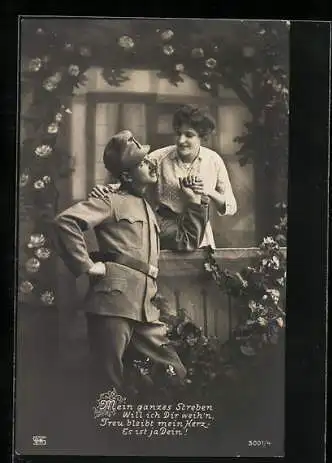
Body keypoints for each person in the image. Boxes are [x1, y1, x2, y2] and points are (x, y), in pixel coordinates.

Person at [53, 130, 210, 395]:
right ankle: (103, 435)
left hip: (145, 310)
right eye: (142, 162)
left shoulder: (150, 209)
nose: (151, 164)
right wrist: (87, 266)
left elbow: (186, 240)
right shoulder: (109, 200)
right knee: (107, 383)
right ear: (126, 176)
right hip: (112, 303)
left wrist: (195, 203)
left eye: (149, 159)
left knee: (175, 372)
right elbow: (66, 222)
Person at [90, 104, 237, 249]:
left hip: (200, 234)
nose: (181, 140)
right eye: (179, 133)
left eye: (189, 135)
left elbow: (230, 207)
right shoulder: (159, 158)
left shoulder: (213, 160)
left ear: (202, 137)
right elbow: (130, 177)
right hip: (166, 232)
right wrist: (105, 190)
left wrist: (209, 191)